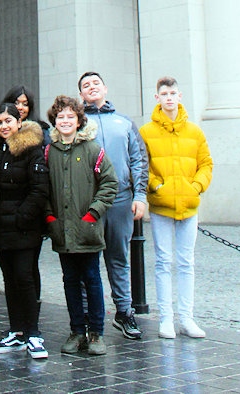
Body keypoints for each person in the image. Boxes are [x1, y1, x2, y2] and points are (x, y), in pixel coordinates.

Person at [0, 103, 49, 358]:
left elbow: (39, 190)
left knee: (25, 278)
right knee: (9, 280)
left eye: (8, 121)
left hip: (24, 229)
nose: (4, 126)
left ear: (18, 122)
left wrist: (20, 217)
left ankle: (33, 333)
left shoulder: (31, 149)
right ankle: (16, 331)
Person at [139, 77, 213, 339]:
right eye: (164, 93)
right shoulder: (147, 132)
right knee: (163, 261)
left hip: (189, 205)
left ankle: (187, 318)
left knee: (185, 262)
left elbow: (206, 163)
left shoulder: (194, 131)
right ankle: (166, 320)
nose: (169, 97)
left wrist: (196, 186)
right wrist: (156, 187)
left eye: (172, 93)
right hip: (161, 206)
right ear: (157, 98)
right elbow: (141, 165)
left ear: (179, 96)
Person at [45, 96, 118, 356]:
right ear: (55, 121)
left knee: (92, 280)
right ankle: (77, 330)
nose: (65, 121)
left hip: (87, 229)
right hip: (62, 231)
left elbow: (110, 183)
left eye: (70, 117)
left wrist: (93, 213)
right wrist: (50, 217)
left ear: (78, 120)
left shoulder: (92, 149)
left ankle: (96, 332)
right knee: (70, 281)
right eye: (60, 117)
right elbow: (43, 189)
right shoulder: (49, 151)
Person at [78, 71, 148, 340]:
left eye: (96, 83)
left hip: (120, 199)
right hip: (90, 202)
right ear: (81, 94)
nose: (92, 87)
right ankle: (87, 315)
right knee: (88, 260)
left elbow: (139, 159)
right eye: (86, 85)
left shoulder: (124, 122)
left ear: (105, 89)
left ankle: (124, 311)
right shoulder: (78, 122)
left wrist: (140, 195)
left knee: (119, 258)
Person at [0, 85, 50, 324]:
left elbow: (41, 182)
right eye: (17, 102)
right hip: (1, 216)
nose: (21, 107)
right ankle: (17, 325)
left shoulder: (42, 134)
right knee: (10, 274)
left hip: (29, 216)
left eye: (25, 103)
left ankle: (31, 321)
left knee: (27, 271)